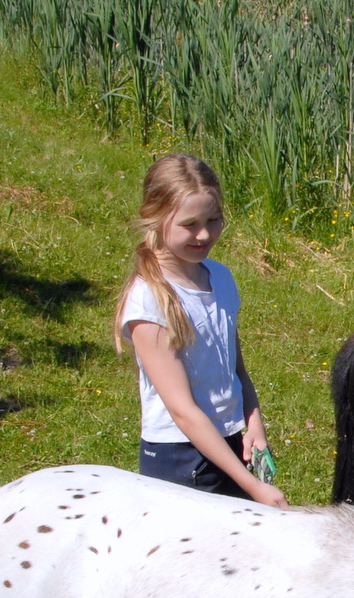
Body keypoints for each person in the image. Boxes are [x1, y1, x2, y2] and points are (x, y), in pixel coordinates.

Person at [115, 154, 286, 508]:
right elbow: (183, 412)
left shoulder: (219, 277)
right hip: (180, 458)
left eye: (214, 220)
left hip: (229, 444)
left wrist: (253, 424)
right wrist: (252, 489)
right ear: (156, 217)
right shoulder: (150, 298)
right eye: (190, 224)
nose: (205, 234)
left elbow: (236, 368)